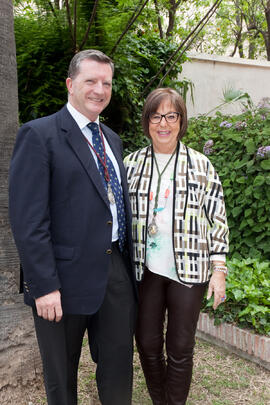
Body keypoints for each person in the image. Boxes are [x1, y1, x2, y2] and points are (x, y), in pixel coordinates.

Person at [9, 49, 137, 405]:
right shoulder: (39, 135)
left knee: (117, 366)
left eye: (106, 82)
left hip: (114, 270)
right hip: (60, 279)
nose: (100, 89)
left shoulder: (112, 139)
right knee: (61, 377)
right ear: (70, 84)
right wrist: (44, 285)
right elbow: (28, 220)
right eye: (91, 81)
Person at [124, 87, 229, 405]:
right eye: (156, 116)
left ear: (181, 121)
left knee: (180, 346)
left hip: (189, 268)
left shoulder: (200, 166)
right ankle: (160, 398)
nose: (163, 123)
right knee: (147, 341)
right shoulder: (131, 165)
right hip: (146, 268)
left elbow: (217, 218)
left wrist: (219, 268)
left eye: (171, 115)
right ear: (147, 121)